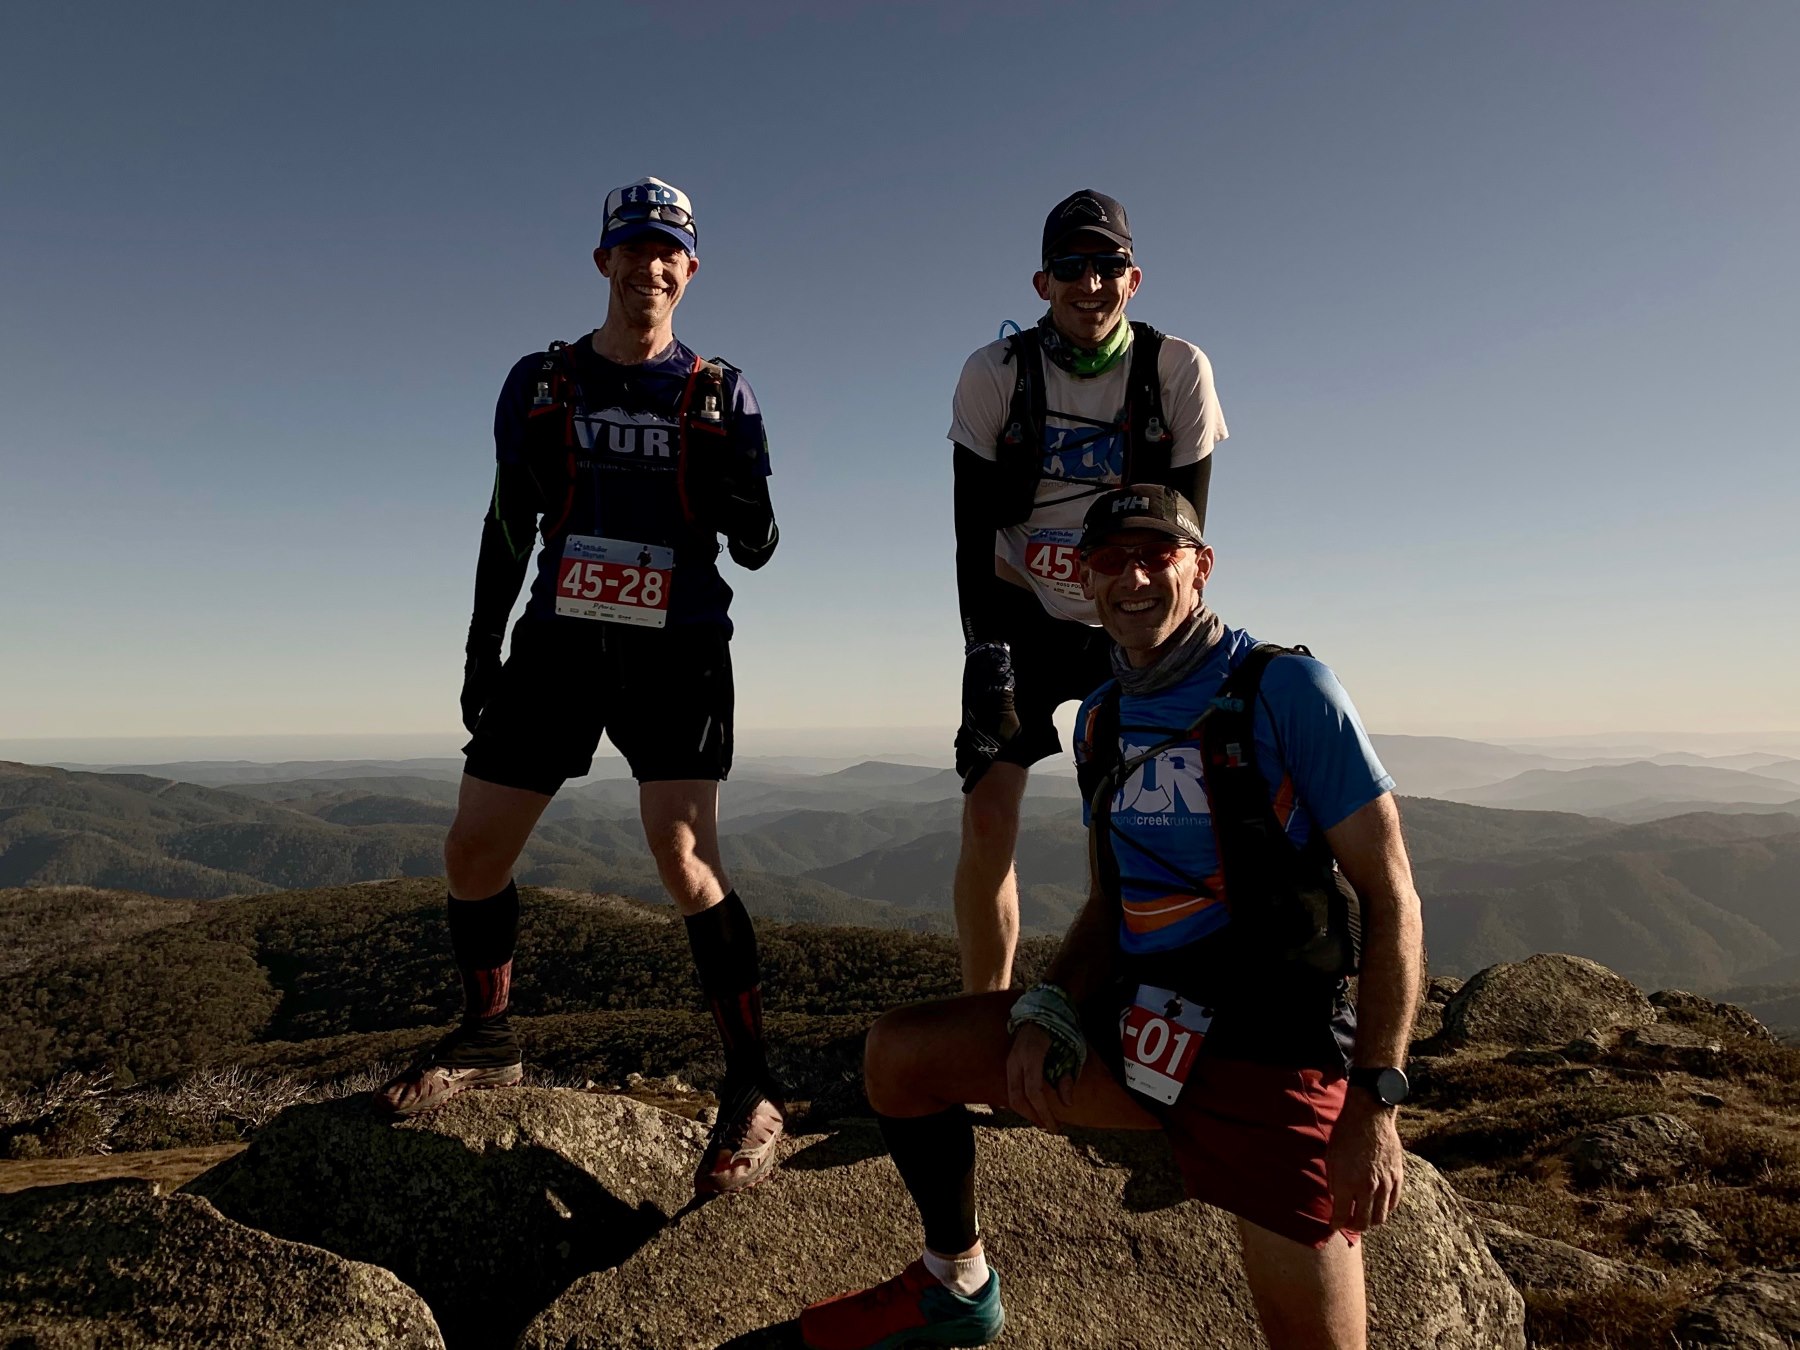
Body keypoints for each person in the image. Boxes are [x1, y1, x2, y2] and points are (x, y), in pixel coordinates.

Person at [801, 485, 1423, 1350]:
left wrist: (1376, 1103)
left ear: (1201, 568)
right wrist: (1050, 1006)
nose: (1132, 577)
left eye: (1156, 555)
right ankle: (957, 1284)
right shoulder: (1102, 717)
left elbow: (1392, 897)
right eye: (1108, 560)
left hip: (1270, 1050)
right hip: (1142, 1030)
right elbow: (1107, 901)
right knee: (899, 1056)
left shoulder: (1287, 690)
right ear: (1084, 581)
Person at [376, 177, 786, 1198]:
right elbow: (507, 522)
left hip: (679, 648)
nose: (652, 265)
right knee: (473, 849)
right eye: (634, 246)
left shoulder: (720, 392)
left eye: (670, 251)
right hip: (559, 642)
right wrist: (480, 650)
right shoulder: (541, 383)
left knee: (685, 859)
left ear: (690, 271)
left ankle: (752, 1086)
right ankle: (488, 1038)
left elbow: (758, 544)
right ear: (603, 260)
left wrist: (742, 494)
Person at [949, 189, 1229, 992]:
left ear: (1133, 279)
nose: (1090, 284)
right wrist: (985, 649)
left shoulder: (1176, 370)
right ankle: (985, 1011)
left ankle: (1125, 1003)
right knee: (988, 813)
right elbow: (972, 532)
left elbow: (1184, 536)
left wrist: (1178, 655)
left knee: (1135, 820)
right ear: (1043, 283)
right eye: (1071, 267)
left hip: (1133, 615)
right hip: (1021, 612)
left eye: (1108, 266)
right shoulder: (995, 373)